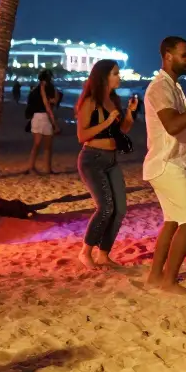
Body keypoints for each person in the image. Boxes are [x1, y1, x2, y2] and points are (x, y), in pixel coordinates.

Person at [143, 36, 186, 295]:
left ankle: (156, 276)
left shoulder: (174, 87)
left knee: (173, 221)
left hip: (171, 162)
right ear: (168, 56)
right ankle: (169, 282)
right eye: (184, 55)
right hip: (166, 164)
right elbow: (173, 125)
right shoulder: (160, 87)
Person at [75, 59, 139, 269]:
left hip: (111, 160)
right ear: (103, 77)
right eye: (115, 73)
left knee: (120, 209)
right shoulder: (90, 102)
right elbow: (82, 135)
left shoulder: (113, 100)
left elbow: (123, 130)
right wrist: (107, 122)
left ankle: (103, 254)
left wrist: (129, 112)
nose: (119, 77)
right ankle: (85, 252)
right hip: (92, 159)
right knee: (105, 208)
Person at [23, 70, 62, 174]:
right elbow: (48, 106)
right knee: (47, 146)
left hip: (36, 117)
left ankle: (31, 167)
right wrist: (55, 124)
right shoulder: (45, 89)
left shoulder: (35, 90)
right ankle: (47, 169)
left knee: (36, 144)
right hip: (44, 117)